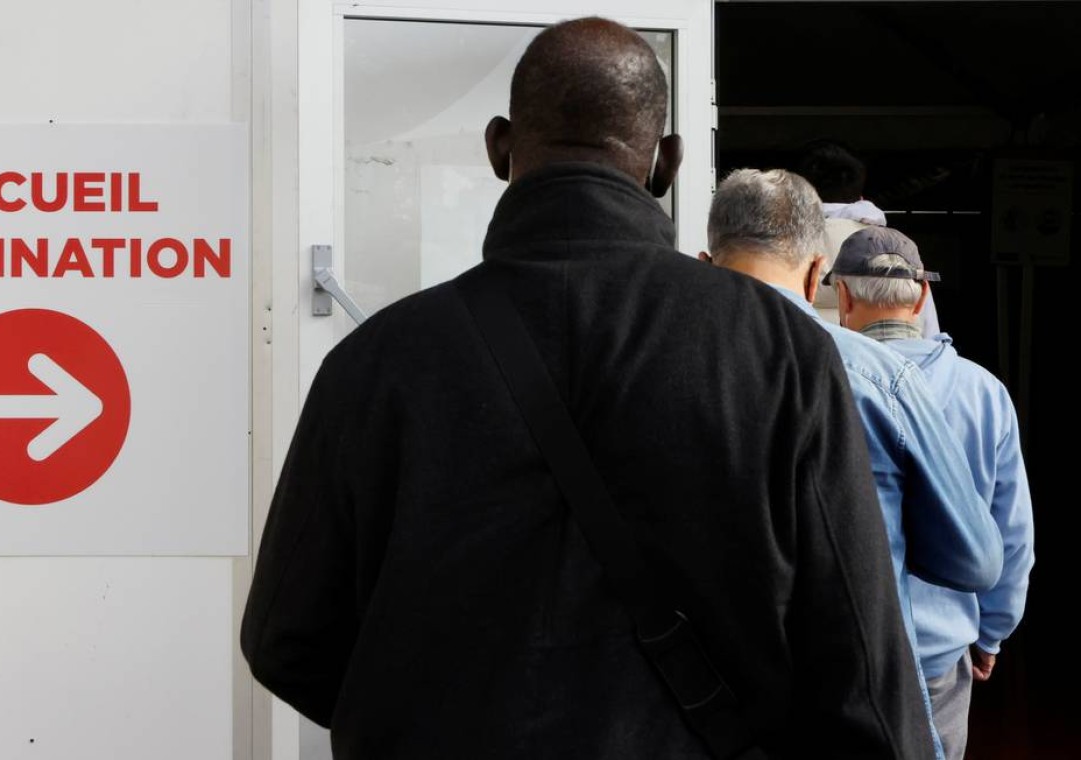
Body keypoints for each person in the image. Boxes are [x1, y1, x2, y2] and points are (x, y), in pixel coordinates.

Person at [243, 18, 934, 759]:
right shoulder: (778, 351)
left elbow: (286, 640)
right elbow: (859, 668)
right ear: (666, 162)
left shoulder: (378, 362)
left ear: (499, 147)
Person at [701, 168, 1004, 759]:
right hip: (855, 704)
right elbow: (977, 560)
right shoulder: (883, 379)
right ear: (819, 274)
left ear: (705, 264)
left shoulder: (654, 375)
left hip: (708, 703)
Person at [828, 227, 1035, 760]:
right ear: (922, 296)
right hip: (942, 658)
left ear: (843, 297)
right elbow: (1012, 535)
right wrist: (990, 634)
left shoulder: (821, 382)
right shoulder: (984, 392)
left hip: (843, 657)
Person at [795, 139, 940, 335]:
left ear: (797, 194)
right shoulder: (898, 249)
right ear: (861, 196)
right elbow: (928, 332)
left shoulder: (772, 248)